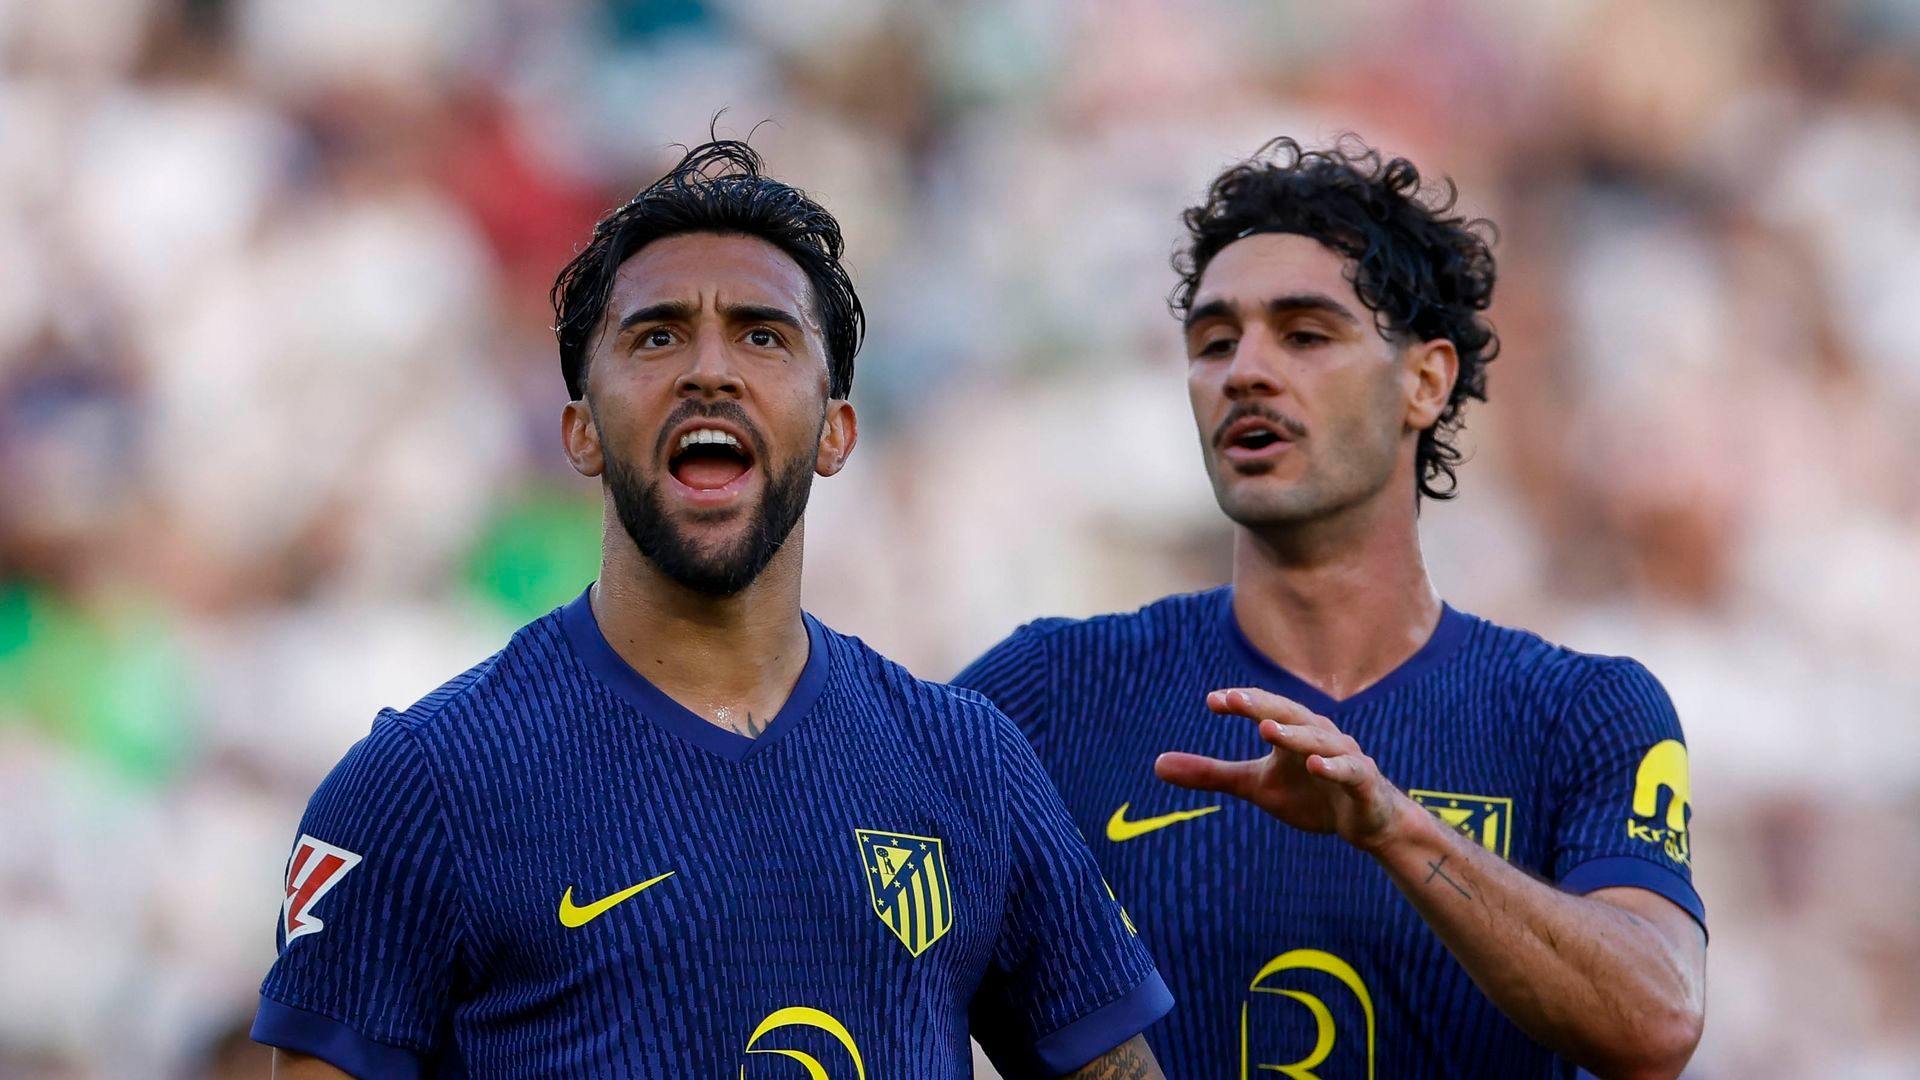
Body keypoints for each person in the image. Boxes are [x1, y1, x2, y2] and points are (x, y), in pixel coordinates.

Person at [251, 139, 1170, 1079]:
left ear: (835, 430)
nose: (710, 372)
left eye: (763, 334)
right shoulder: (424, 785)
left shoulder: (967, 765)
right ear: (581, 433)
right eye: (656, 335)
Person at [955, 137, 1706, 1079]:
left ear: (1425, 381)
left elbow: (1657, 1021)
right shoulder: (1050, 691)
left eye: (1305, 334)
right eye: (1214, 342)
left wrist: (1395, 829)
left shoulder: (1582, 711)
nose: (1245, 373)